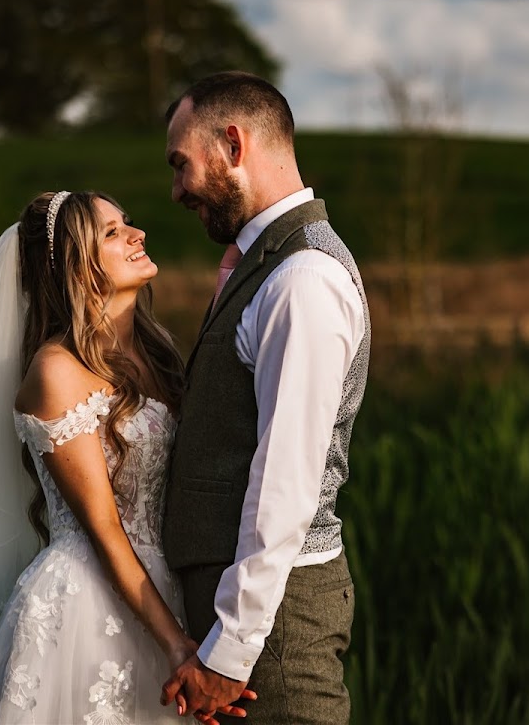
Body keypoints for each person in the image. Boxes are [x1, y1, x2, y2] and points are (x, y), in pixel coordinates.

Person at [0, 190, 254, 724]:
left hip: (167, 587)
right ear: (76, 265)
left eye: (129, 222)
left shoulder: (156, 350)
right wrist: (174, 643)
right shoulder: (56, 373)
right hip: (91, 607)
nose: (137, 235)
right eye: (113, 233)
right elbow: (104, 531)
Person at [159, 71, 371, 724]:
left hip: (273, 632)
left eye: (180, 164)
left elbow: (285, 481)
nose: (175, 191)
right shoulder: (263, 266)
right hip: (251, 622)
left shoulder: (302, 277)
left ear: (232, 144)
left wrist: (231, 651)